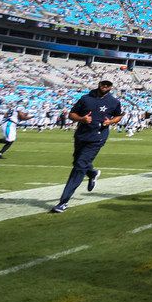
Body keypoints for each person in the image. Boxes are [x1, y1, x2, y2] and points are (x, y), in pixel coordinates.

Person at [50, 81, 123, 213]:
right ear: (99, 84)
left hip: (98, 137)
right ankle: (92, 173)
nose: (105, 87)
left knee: (79, 166)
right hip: (82, 135)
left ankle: (63, 202)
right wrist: (81, 119)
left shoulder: (114, 101)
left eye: (108, 85)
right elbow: (72, 114)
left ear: (111, 87)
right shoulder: (85, 98)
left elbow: (118, 116)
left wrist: (110, 121)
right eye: (103, 84)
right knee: (78, 161)